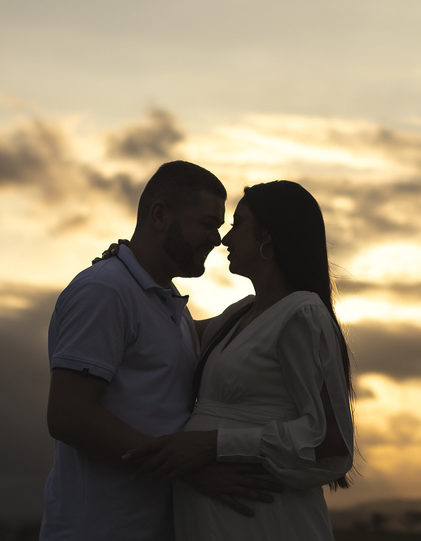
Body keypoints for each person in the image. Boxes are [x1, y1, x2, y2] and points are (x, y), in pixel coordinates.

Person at [40, 161, 280, 541]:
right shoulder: (105, 291)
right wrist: (187, 467)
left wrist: (286, 295)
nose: (217, 239)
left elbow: (232, 333)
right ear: (159, 214)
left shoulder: (168, 305)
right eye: (207, 224)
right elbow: (68, 415)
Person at [124, 180, 355, 541]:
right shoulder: (241, 314)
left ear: (268, 235)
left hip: (266, 520)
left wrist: (212, 444)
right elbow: (168, 327)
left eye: (237, 224)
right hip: (216, 519)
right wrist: (129, 268)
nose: (225, 240)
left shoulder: (300, 314)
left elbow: (329, 441)